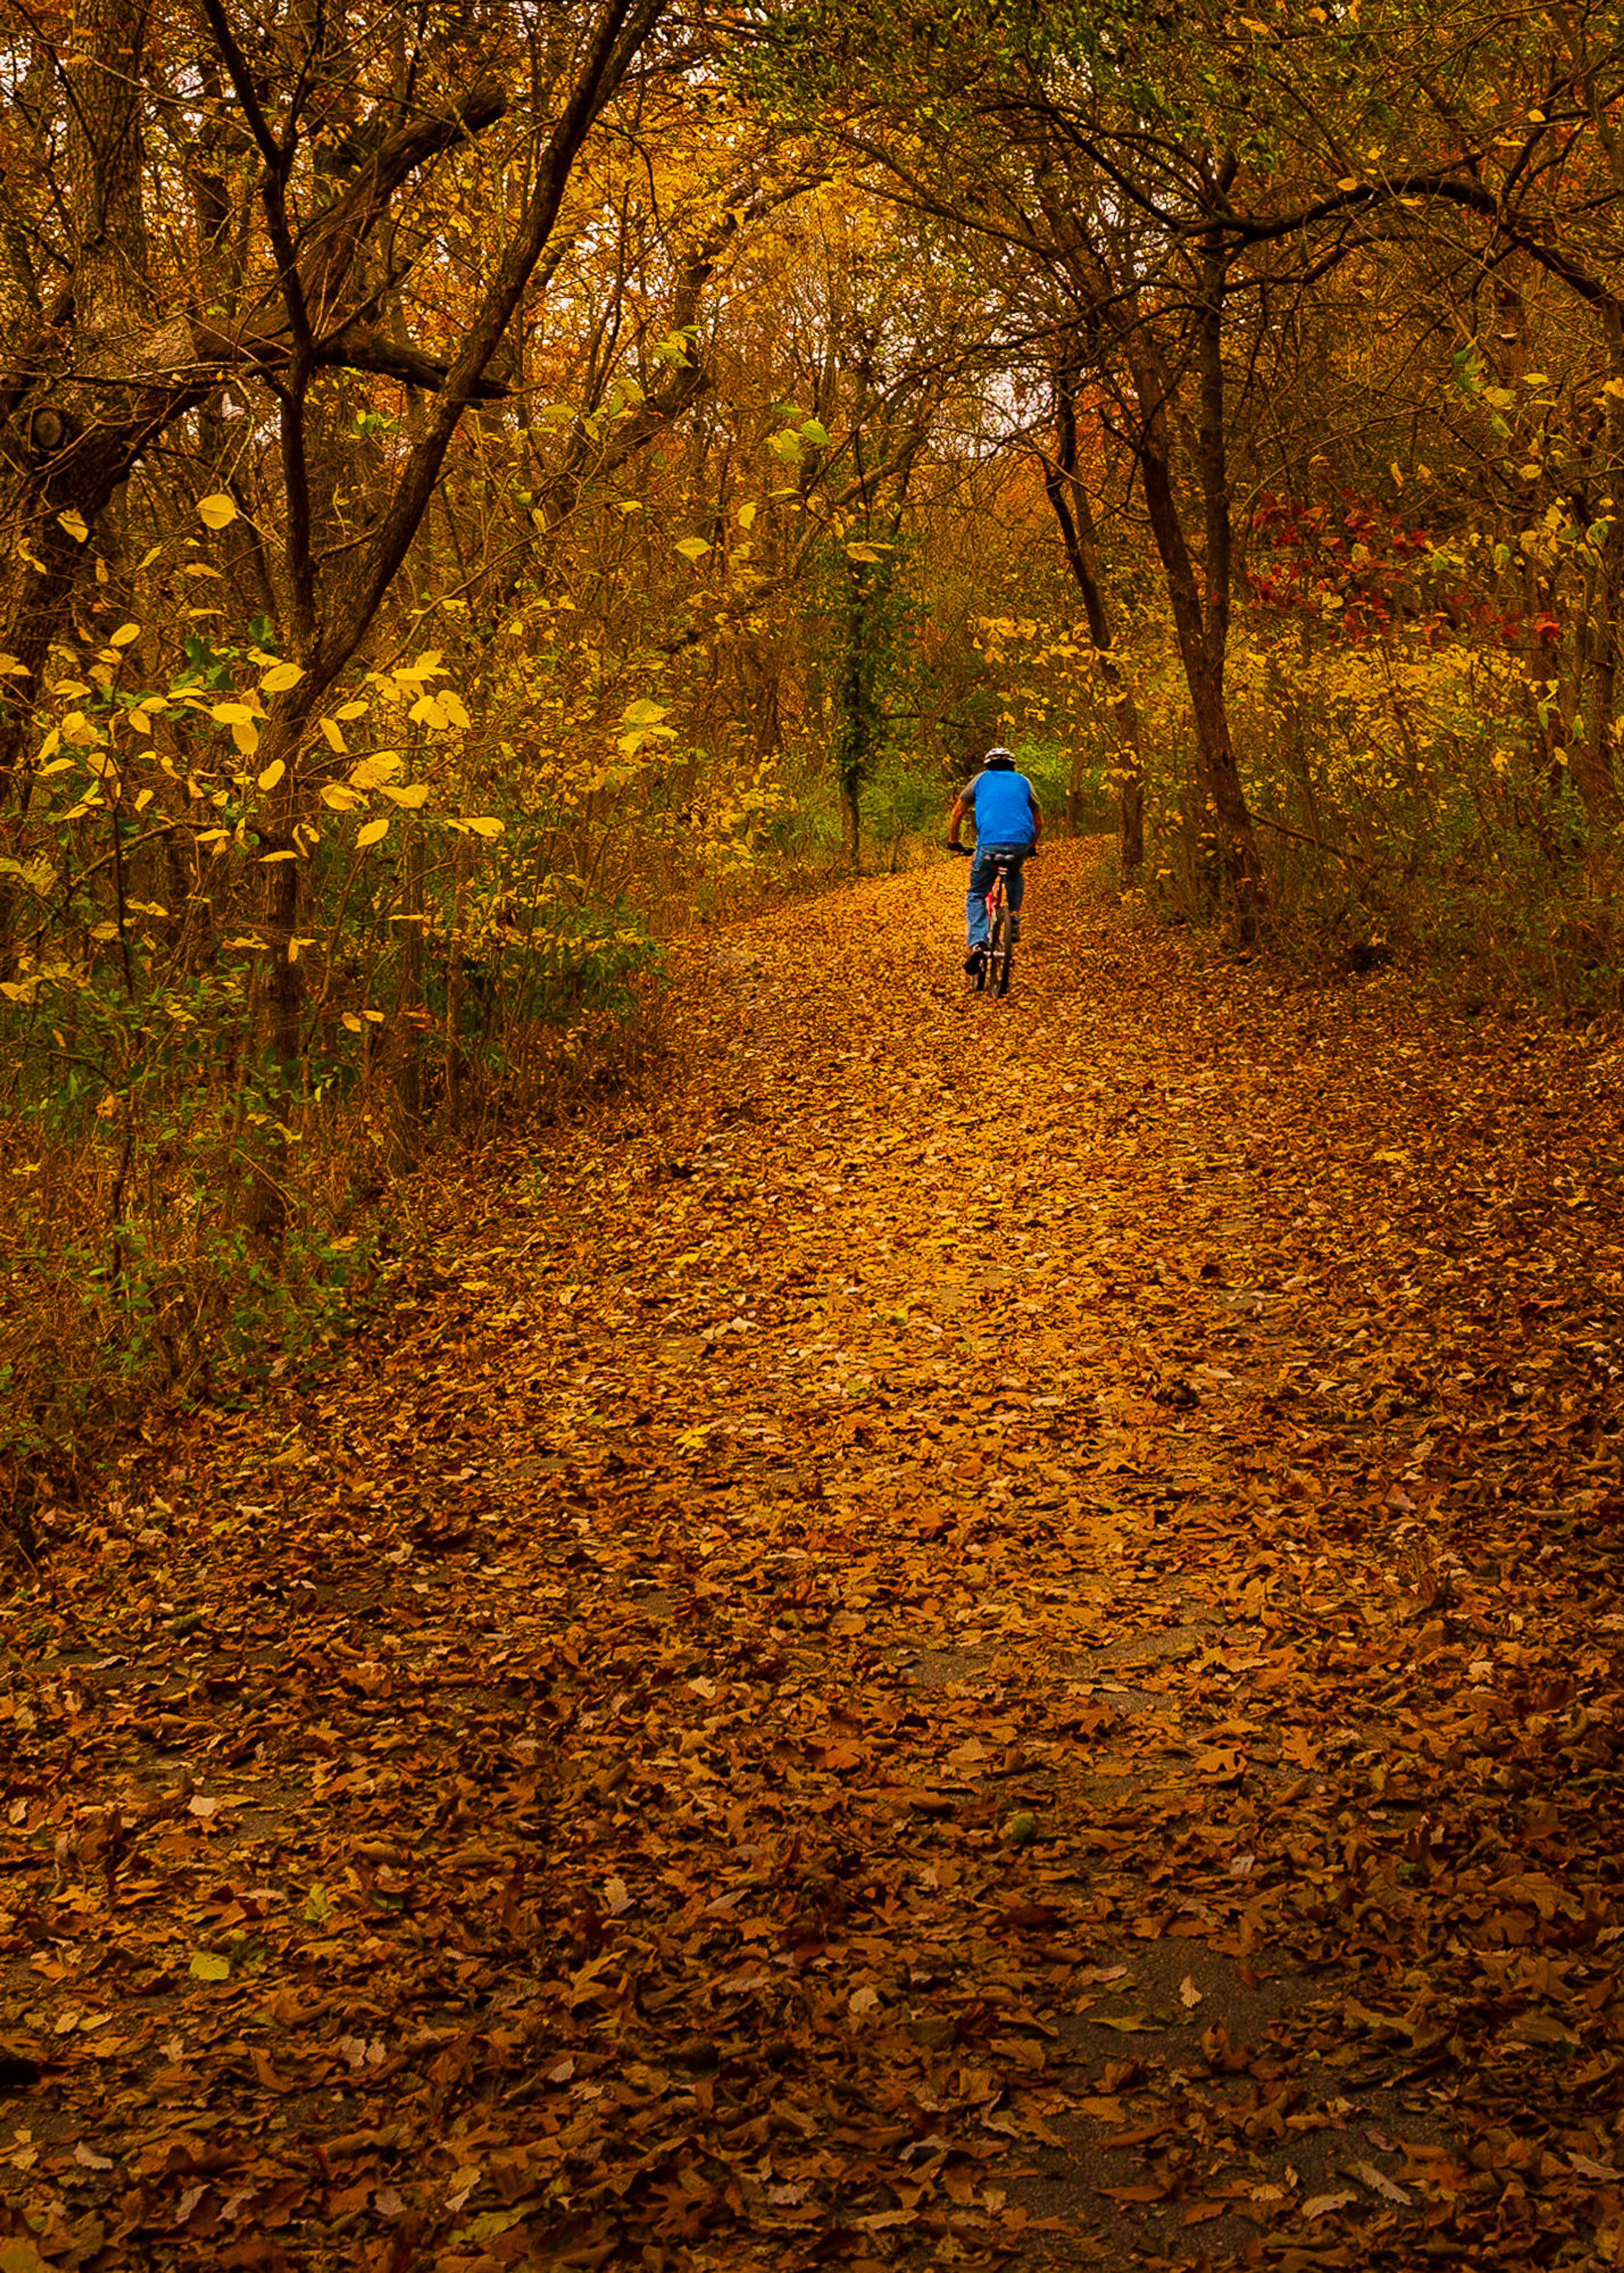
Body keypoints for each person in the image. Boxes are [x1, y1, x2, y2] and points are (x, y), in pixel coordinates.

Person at [945, 746, 1042, 976]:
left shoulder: (979, 781)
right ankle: (1015, 919)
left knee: (977, 894)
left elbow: (958, 813)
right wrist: (1031, 847)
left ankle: (978, 943)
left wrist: (954, 841)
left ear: (987, 765)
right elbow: (1039, 821)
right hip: (1019, 844)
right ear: (1012, 765)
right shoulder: (1024, 782)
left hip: (989, 846)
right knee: (1015, 874)